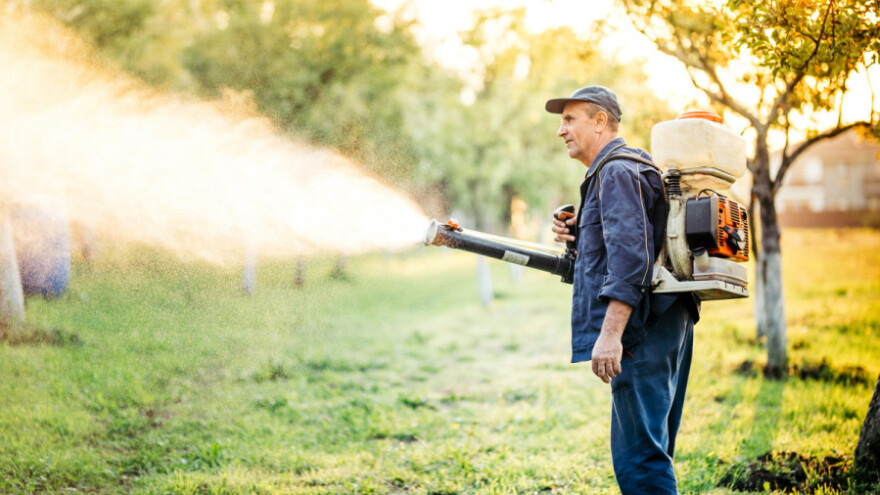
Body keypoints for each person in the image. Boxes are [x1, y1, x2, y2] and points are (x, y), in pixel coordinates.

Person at [547, 86, 700, 494]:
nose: (561, 130)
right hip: (667, 317)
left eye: (569, 119)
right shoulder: (629, 167)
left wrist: (610, 335)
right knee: (653, 447)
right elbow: (632, 244)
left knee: (640, 459)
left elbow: (631, 260)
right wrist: (580, 236)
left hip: (642, 328)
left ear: (600, 122)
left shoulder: (615, 170)